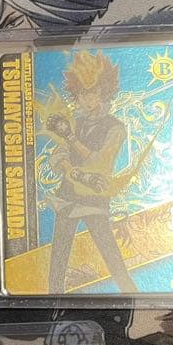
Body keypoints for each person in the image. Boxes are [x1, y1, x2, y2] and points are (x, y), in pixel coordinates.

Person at [44, 50, 136, 293]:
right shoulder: (76, 123)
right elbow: (57, 156)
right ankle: (53, 297)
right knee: (58, 256)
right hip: (67, 197)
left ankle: (130, 292)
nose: (87, 99)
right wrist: (72, 170)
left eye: (93, 92)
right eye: (83, 93)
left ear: (104, 91)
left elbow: (100, 162)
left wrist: (72, 140)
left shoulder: (115, 127)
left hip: (94, 197)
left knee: (110, 253)